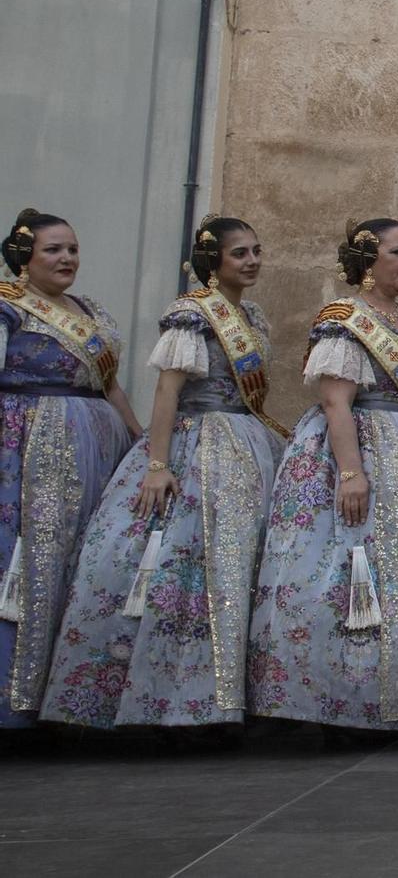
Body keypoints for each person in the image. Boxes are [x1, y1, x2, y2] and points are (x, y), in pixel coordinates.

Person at [41, 218, 289, 736]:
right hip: (197, 446)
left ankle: (230, 696)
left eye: (256, 251)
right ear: (213, 262)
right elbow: (167, 392)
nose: (252, 261)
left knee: (241, 566)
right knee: (183, 567)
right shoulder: (192, 315)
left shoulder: (254, 316)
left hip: (247, 447)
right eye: (239, 254)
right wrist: (157, 463)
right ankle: (172, 700)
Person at [247, 219, 398, 744]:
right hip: (362, 450)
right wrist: (351, 473)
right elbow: (335, 401)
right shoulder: (343, 319)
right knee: (352, 574)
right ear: (368, 262)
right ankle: (347, 703)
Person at [0, 209, 144, 731]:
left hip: (96, 446)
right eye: (53, 250)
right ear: (24, 258)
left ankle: (69, 702)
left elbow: (111, 385)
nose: (66, 259)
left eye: (73, 250)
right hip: (31, 448)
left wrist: (138, 442)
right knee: (34, 560)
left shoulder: (88, 310)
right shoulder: (8, 309)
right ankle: (16, 701)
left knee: (88, 563)